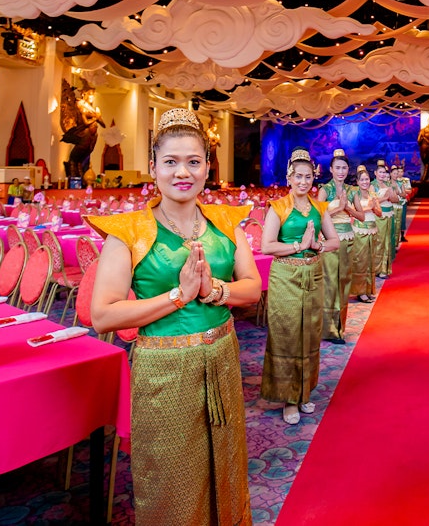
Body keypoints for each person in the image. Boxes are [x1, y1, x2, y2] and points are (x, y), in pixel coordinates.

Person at [87, 108, 262, 525]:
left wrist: (214, 291)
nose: (182, 172)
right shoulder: (128, 232)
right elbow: (103, 315)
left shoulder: (227, 222)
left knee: (226, 463)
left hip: (221, 359)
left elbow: (252, 287)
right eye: (171, 162)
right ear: (154, 168)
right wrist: (179, 296)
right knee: (171, 478)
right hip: (163, 369)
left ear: (206, 168)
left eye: (193, 161)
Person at [260, 148, 340, 425]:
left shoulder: (319, 208)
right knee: (287, 334)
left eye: (308, 177)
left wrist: (317, 245)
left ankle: (304, 391)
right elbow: (266, 246)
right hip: (285, 277)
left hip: (314, 275)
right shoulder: (278, 207)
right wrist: (299, 246)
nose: (303, 181)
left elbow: (335, 242)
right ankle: (288, 398)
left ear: (313, 179)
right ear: (289, 177)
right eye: (298, 176)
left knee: (309, 333)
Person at [317, 149, 361, 344]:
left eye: (344, 168)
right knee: (329, 283)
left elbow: (361, 215)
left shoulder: (352, 191)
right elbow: (318, 217)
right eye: (337, 168)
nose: (341, 171)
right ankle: (328, 329)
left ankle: (340, 327)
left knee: (344, 281)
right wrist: (337, 209)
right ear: (331, 169)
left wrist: (348, 208)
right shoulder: (324, 190)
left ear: (348, 169)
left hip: (349, 239)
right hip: (330, 240)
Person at [351, 165, 382, 303]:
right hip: (360, 230)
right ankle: (360, 291)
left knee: (370, 261)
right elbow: (354, 212)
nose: (365, 182)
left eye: (367, 179)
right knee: (360, 261)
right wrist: (368, 207)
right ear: (357, 182)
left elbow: (380, 213)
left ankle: (369, 289)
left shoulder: (373, 195)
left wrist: (374, 206)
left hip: (372, 229)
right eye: (362, 180)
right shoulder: (355, 195)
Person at [370, 161, 399, 279]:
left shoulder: (388, 185)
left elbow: (396, 199)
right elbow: (372, 202)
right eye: (380, 172)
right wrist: (386, 197)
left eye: (384, 173)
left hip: (389, 214)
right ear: (375, 173)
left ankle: (384, 269)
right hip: (379, 215)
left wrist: (391, 194)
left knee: (388, 241)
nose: (382, 175)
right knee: (379, 242)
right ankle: (376, 268)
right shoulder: (372, 185)